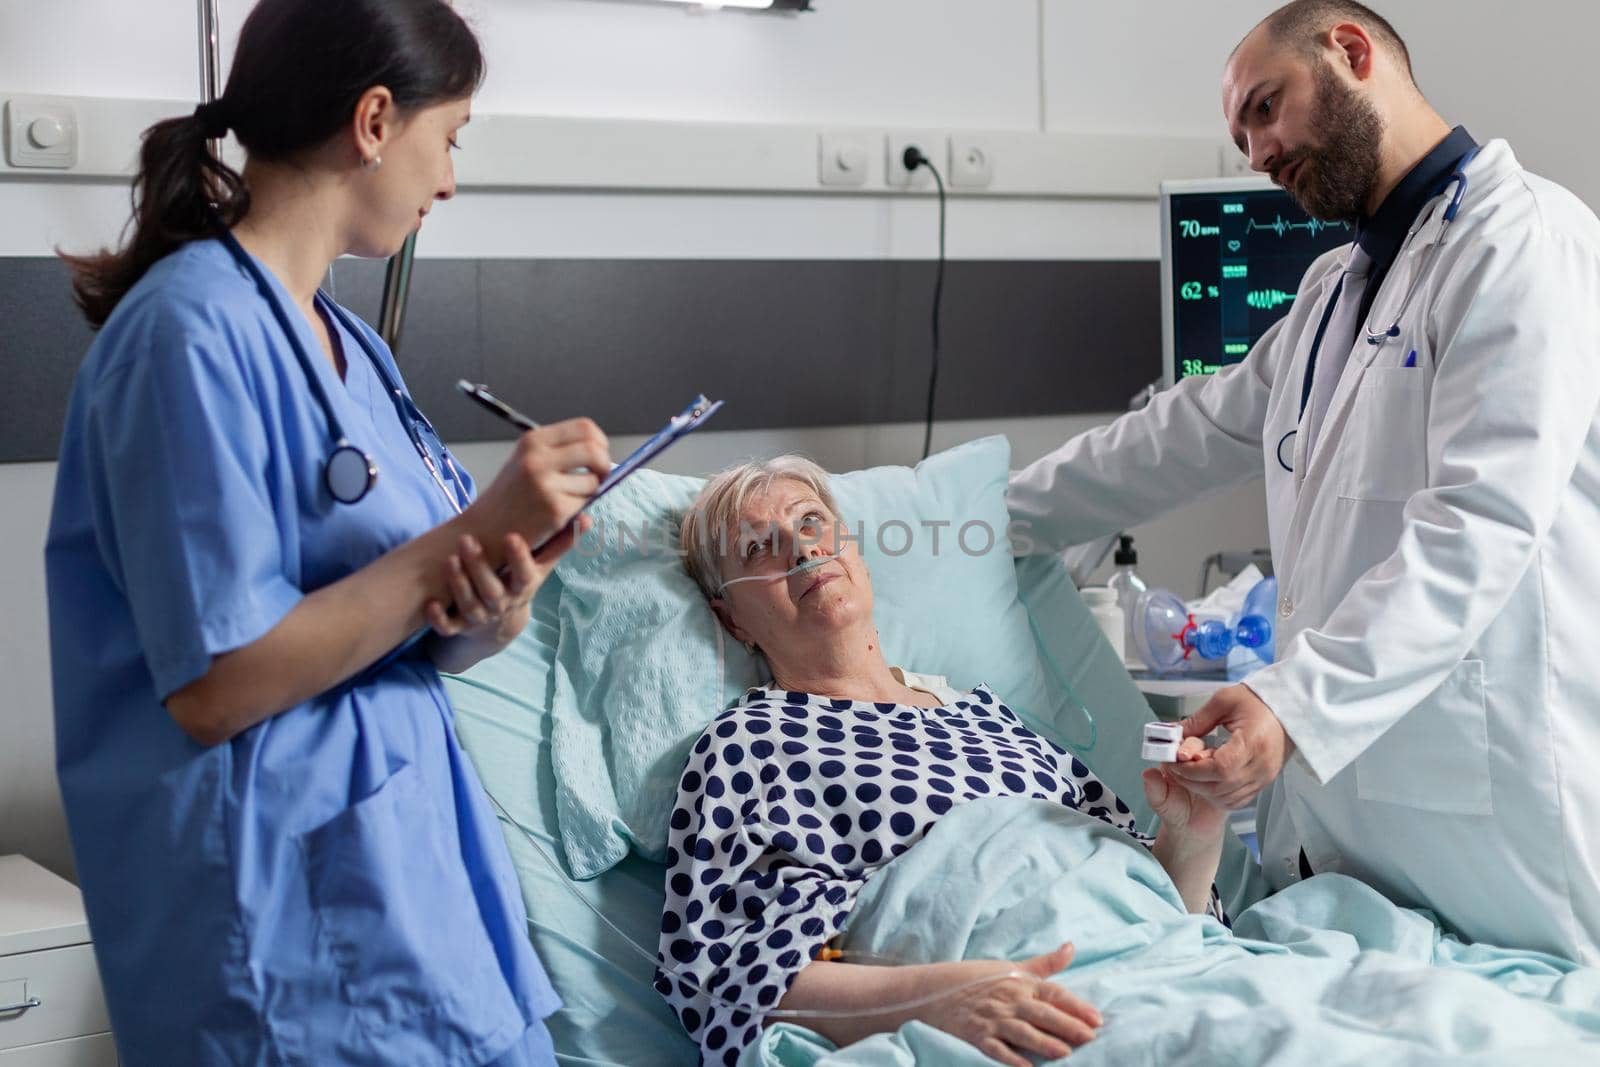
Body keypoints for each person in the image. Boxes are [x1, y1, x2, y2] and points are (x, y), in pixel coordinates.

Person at [44, 1, 611, 1062]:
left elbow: (406, 608)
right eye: (450, 140)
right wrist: (470, 531)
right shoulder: (187, 337)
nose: (449, 179)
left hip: (414, 883)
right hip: (282, 920)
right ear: (375, 119)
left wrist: (497, 588)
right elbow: (215, 683)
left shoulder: (351, 342)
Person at [1008, 0, 1600, 963]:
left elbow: (1479, 525)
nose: (1255, 152)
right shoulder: (1335, 288)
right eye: (1241, 132)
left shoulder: (1522, 241)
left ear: (1352, 52)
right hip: (1356, 837)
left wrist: (1294, 702)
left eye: (1265, 108)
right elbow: (1177, 433)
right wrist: (959, 513)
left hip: (1498, 814)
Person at [660, 457, 1228, 1067]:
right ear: (732, 620)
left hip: (1164, 969)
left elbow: (1160, 905)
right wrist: (942, 998)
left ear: (854, 551)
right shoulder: (751, 742)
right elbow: (719, 969)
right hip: (1031, 1012)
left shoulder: (990, 716)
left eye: (812, 523)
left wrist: (1194, 830)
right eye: (758, 549)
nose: (803, 552)